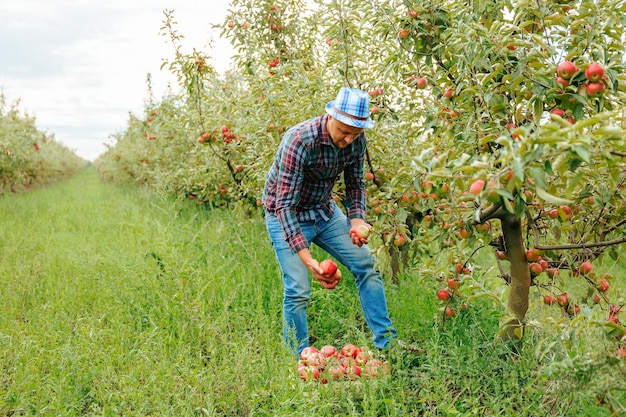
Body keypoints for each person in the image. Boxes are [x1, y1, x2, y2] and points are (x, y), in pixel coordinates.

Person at [262, 87, 397, 355]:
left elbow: (356, 184)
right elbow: (285, 205)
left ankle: (388, 345)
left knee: (367, 265)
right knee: (298, 289)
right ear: (331, 116)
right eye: (344, 131)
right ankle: (300, 359)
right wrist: (309, 261)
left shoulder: (357, 140)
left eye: (355, 134)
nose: (348, 139)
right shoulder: (300, 140)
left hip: (324, 212)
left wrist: (357, 220)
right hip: (285, 214)